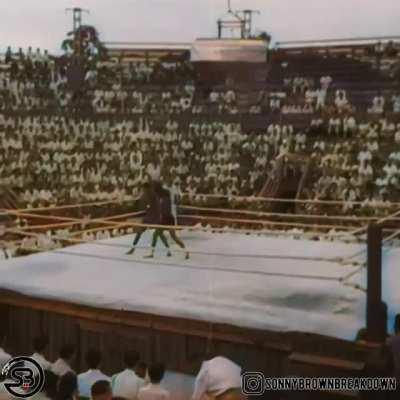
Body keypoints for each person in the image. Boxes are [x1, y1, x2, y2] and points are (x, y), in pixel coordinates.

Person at [148, 183, 189, 259]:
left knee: (172, 236)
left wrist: (160, 217)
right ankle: (184, 251)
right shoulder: (161, 198)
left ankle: (185, 251)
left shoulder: (165, 198)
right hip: (167, 218)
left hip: (167, 218)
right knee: (158, 234)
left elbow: (165, 210)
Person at [126, 182, 160, 256]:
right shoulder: (145, 195)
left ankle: (153, 252)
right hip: (148, 217)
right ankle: (133, 248)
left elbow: (156, 206)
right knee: (139, 232)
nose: (143, 190)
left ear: (146, 188)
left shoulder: (153, 195)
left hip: (154, 217)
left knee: (156, 234)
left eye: (144, 189)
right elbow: (143, 206)